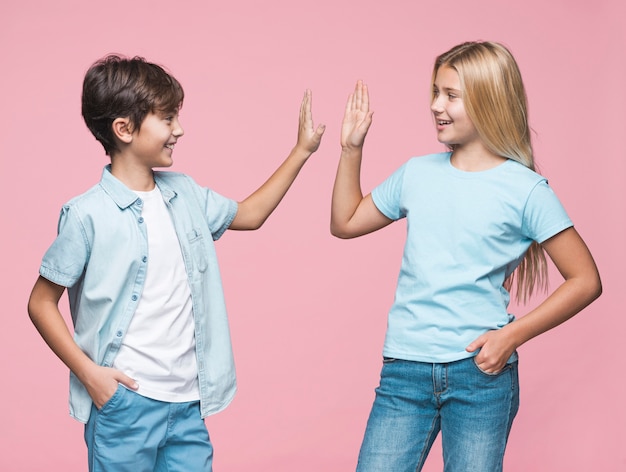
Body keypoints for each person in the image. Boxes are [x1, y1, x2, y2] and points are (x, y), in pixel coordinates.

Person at [27, 54, 325, 472]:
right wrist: (91, 375)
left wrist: (302, 151)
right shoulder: (86, 215)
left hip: (187, 404)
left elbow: (251, 214)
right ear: (125, 129)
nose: (179, 129)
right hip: (123, 406)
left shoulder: (185, 194)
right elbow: (40, 302)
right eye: (167, 119)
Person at [331, 41, 601, 471]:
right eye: (435, 92)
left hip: (480, 376)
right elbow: (345, 222)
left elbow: (586, 280)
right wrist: (351, 149)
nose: (436, 105)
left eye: (451, 95)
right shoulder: (416, 173)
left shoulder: (526, 190)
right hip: (405, 370)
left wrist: (511, 336)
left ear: (488, 100)